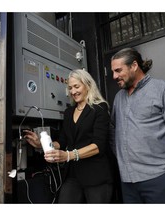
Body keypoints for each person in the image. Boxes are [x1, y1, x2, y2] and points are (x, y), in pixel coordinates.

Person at [109, 47, 165, 203]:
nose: (114, 76)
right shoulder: (118, 98)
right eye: (113, 72)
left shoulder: (163, 89)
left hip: (160, 180)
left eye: (118, 70)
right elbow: (114, 132)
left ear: (134, 66)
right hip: (128, 184)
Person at [24, 69, 114, 203]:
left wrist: (68, 155)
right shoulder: (68, 112)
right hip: (73, 174)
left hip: (96, 176)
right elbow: (63, 141)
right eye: (70, 88)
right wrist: (41, 145)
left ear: (88, 85)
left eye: (77, 86)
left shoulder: (99, 109)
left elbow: (98, 146)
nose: (73, 91)